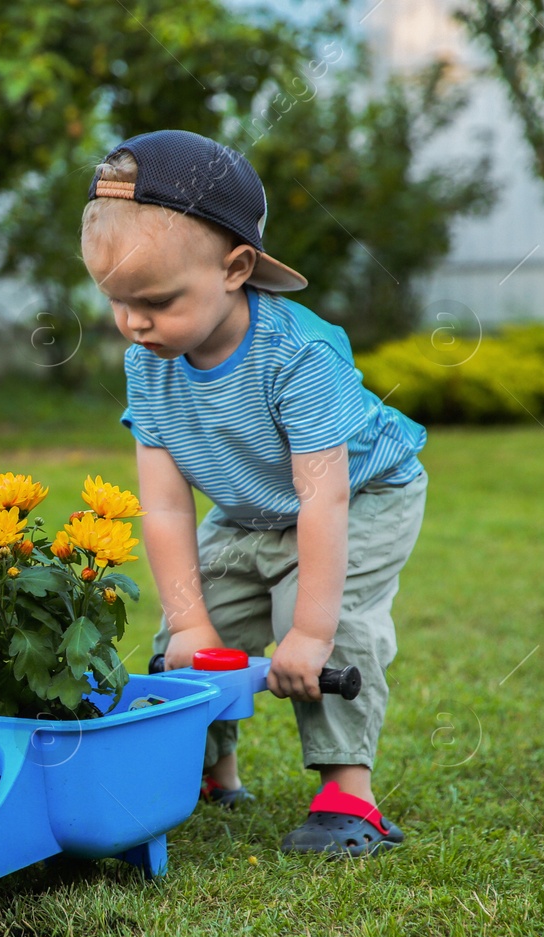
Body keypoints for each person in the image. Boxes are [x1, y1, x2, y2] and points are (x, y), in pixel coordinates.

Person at [81, 130, 428, 856]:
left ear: (235, 268)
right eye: (116, 301)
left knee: (334, 623)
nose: (134, 322)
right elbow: (169, 506)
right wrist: (191, 624)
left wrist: (306, 634)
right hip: (247, 509)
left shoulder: (298, 353)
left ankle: (348, 794)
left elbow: (324, 502)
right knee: (188, 634)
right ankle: (207, 772)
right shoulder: (148, 363)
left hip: (362, 496)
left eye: (156, 300)